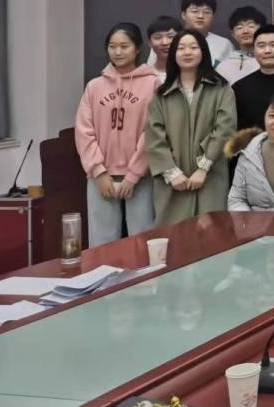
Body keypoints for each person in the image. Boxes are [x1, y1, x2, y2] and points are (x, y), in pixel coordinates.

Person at [75, 23, 160, 246]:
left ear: (138, 48)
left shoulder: (153, 84)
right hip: (101, 176)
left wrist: (134, 174)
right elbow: (84, 131)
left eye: (124, 46)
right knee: (101, 241)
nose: (118, 52)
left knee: (142, 239)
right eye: (112, 46)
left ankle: (144, 273)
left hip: (141, 176)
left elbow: (153, 131)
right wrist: (98, 172)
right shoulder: (94, 86)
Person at [144, 30, 237, 225]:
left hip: (210, 176)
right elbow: (154, 137)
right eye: (181, 48)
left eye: (194, 47)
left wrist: (203, 168)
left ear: (203, 52)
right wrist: (172, 173)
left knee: (211, 232)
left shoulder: (221, 89)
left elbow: (225, 130)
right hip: (173, 181)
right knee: (174, 235)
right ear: (173, 54)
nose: (187, 52)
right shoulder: (162, 94)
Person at [232, 25, 274, 132]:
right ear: (254, 50)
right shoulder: (239, 87)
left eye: (273, 45)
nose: (267, 50)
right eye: (261, 46)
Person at [148, 0, 234, 69]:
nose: (200, 16)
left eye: (206, 12)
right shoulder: (166, 42)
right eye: (194, 11)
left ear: (213, 17)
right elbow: (153, 71)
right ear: (183, 15)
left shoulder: (224, 44)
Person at [216, 6, 265, 85]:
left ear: (262, 29)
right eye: (239, 27)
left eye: (251, 26)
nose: (245, 31)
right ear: (233, 34)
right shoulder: (224, 67)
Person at [146, 15, 180, 84]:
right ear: (149, 43)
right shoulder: (144, 74)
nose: (165, 42)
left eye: (170, 37)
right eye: (158, 37)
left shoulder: (190, 73)